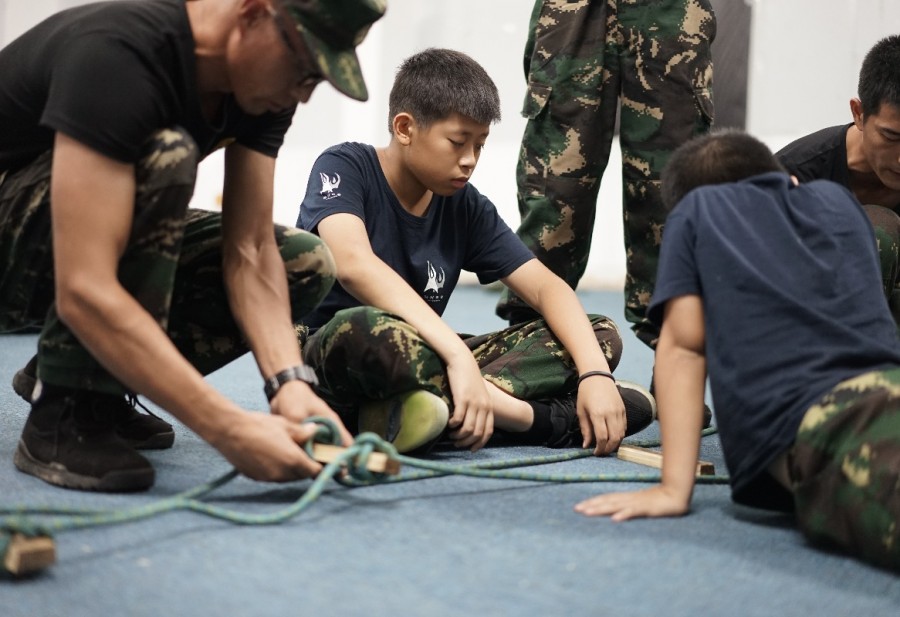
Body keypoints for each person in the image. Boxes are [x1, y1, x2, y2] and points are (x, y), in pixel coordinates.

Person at [0, 0, 386, 493]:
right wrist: (229, 428)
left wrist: (289, 382)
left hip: (48, 242)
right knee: (166, 156)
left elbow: (249, 251)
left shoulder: (259, 92)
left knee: (301, 261)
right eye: (304, 70)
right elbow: (84, 287)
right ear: (252, 14)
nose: (302, 95)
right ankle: (65, 412)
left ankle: (80, 376)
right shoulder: (120, 55)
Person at [296, 48, 656, 456]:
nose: (469, 161)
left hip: (427, 358)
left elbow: (546, 289)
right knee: (365, 328)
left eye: (480, 145)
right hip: (337, 359)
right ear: (404, 127)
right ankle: (535, 420)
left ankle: (429, 415)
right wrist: (458, 357)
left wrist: (595, 375)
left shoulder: (465, 205)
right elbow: (353, 265)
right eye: (457, 142)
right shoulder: (345, 166)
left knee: (596, 333)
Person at [575, 130, 900, 571]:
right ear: (789, 181)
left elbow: (684, 348)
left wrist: (674, 488)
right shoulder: (842, 203)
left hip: (833, 426)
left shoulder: (697, 211)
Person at [494, 0, 716, 353]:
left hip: (671, 10)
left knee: (672, 189)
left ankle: (676, 366)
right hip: (575, 9)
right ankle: (530, 355)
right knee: (557, 186)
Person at [776, 35, 900, 323]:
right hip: (810, 327)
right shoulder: (793, 174)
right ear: (858, 113)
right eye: (891, 136)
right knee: (875, 228)